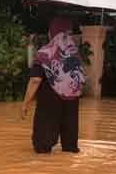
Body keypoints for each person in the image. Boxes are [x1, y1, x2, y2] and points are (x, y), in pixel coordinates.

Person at [20, 16, 85, 154]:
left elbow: (35, 80)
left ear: (53, 32)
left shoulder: (44, 54)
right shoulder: (75, 55)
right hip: (72, 103)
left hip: (49, 103)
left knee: (42, 147)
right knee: (70, 149)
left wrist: (25, 103)